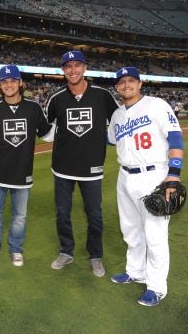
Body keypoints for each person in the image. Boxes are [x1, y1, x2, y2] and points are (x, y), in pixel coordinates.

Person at [107, 67, 184, 307]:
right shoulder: (117, 115)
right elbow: (110, 139)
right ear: (117, 87)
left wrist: (173, 176)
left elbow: (175, 138)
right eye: (121, 82)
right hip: (125, 176)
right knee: (130, 229)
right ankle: (135, 271)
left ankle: (157, 287)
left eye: (131, 81)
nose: (126, 85)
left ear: (140, 84)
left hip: (154, 176)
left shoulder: (157, 105)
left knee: (155, 235)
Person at [45, 50, 119, 277]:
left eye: (77, 65)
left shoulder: (102, 95)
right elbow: (46, 132)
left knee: (94, 215)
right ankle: (66, 251)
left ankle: (95, 255)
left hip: (92, 168)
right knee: (62, 214)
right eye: (68, 66)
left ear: (85, 68)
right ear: (63, 71)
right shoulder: (56, 99)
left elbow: (119, 123)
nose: (73, 70)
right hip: (63, 168)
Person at [0, 64, 52, 267]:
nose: (9, 85)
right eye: (5, 82)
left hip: (22, 173)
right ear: (0, 85)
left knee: (20, 217)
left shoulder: (33, 107)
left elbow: (47, 134)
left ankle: (15, 249)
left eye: (13, 81)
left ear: (20, 83)